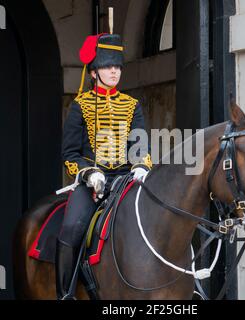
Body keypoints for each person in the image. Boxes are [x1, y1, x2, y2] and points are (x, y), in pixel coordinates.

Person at [55, 32, 152, 300]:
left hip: (126, 179)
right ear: (94, 72)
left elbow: (140, 145)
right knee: (71, 229)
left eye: (117, 66)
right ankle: (64, 294)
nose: (114, 71)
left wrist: (141, 165)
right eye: (108, 66)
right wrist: (89, 173)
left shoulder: (132, 106)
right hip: (92, 182)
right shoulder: (81, 106)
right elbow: (69, 154)